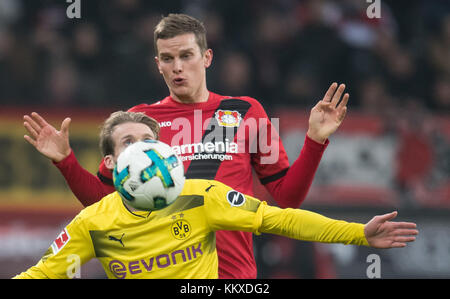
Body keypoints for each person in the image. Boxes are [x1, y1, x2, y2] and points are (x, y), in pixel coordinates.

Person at [23, 14, 350, 279]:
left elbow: (287, 197)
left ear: (206, 57)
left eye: (186, 56)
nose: (177, 66)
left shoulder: (245, 111)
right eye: (168, 58)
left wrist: (315, 140)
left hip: (233, 277)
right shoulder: (138, 121)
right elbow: (106, 206)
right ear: (158, 64)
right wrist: (66, 161)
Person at [15, 111, 418, 279]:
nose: (145, 150)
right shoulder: (93, 224)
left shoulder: (202, 196)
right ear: (109, 164)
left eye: (150, 141)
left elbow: (282, 218)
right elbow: (41, 275)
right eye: (129, 143)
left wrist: (358, 233)